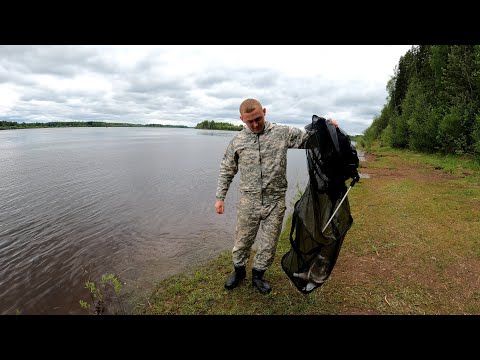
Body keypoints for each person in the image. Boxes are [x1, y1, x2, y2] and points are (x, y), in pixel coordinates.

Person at [214, 98, 338, 295]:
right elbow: (226, 170)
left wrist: (328, 128)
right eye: (250, 121)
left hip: (275, 202)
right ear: (241, 119)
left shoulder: (282, 133)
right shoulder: (237, 141)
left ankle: (258, 275)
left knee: (269, 243)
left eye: (258, 119)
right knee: (242, 241)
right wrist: (220, 197)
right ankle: (239, 272)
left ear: (264, 111)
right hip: (249, 202)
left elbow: (309, 139)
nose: (255, 124)